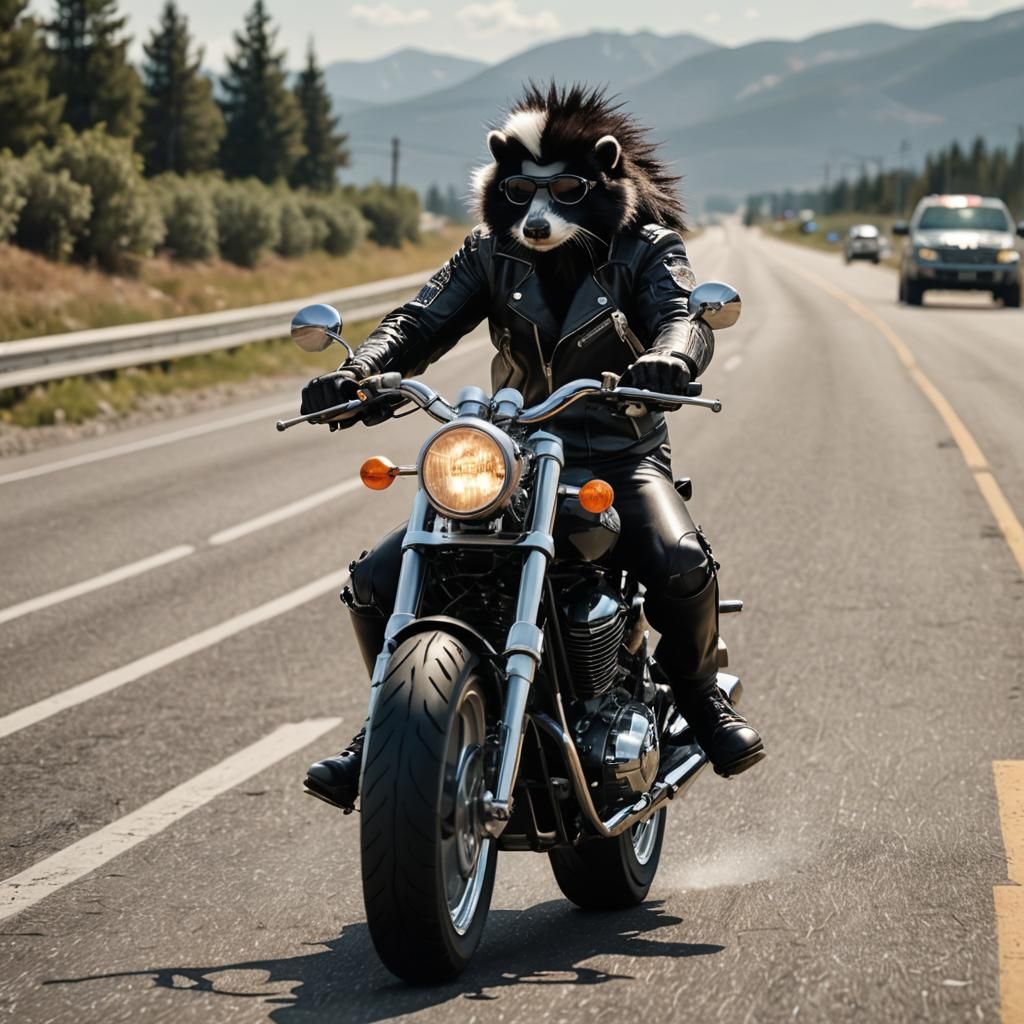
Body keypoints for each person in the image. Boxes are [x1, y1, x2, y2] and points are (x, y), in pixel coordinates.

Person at [300, 84, 764, 811]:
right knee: (375, 581)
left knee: (679, 562)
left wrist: (672, 356)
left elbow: (682, 316)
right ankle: (386, 728)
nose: (540, 213)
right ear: (500, 186)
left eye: (568, 191)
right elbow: (422, 319)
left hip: (617, 451)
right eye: (521, 192)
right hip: (509, 455)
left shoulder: (644, 249)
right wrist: (361, 371)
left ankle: (700, 699)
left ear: (604, 179)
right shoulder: (491, 252)